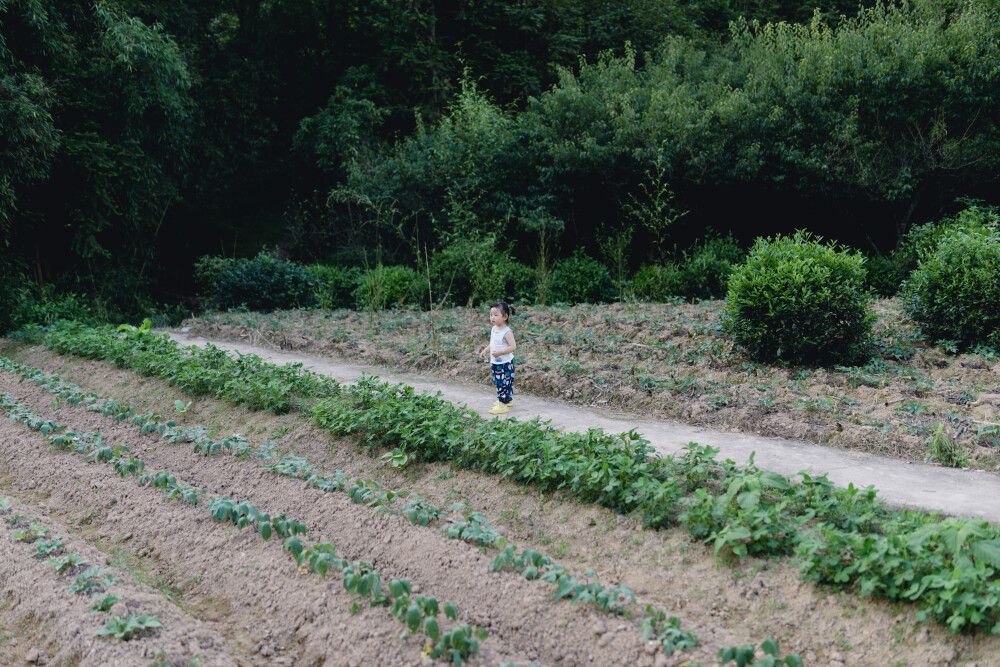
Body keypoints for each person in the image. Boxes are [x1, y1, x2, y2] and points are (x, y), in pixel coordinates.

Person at [478, 301, 517, 415]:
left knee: (504, 383)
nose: (492, 317)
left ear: (505, 317)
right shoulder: (494, 329)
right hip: (495, 362)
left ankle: (502, 405)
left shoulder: (507, 332)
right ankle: (507, 400)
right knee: (498, 382)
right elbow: (493, 343)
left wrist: (500, 352)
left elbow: (513, 346)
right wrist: (485, 350)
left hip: (506, 363)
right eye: (491, 315)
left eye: (496, 315)